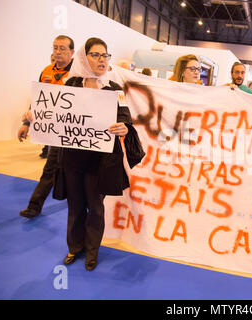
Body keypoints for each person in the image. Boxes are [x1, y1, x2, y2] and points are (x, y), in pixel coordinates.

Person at [51, 37, 145, 271]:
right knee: (75, 206)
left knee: (95, 207)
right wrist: (33, 117)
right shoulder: (72, 85)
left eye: (105, 55)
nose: (102, 60)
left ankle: (92, 251)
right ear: (84, 58)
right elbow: (55, 113)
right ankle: (75, 247)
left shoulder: (114, 89)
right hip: (73, 158)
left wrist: (124, 127)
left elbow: (125, 117)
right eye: (96, 55)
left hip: (101, 161)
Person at [18, 35, 75, 219]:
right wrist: (26, 123)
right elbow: (38, 100)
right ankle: (34, 206)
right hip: (55, 134)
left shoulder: (79, 73)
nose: (57, 52)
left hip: (76, 132)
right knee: (50, 168)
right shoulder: (46, 72)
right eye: (55, 47)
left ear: (72, 52)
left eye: (62, 48)